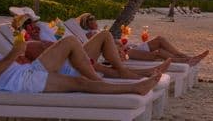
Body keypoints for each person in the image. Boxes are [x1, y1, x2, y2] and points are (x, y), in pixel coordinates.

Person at [0, 17, 160, 96]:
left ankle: (109, 81)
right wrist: (15, 52)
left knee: (72, 44)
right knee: (82, 82)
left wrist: (18, 56)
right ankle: (127, 85)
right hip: (21, 82)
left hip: (24, 73)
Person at [11, 13, 169, 80]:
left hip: (72, 59)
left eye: (33, 23)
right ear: (23, 29)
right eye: (29, 25)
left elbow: (59, 36)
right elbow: (47, 55)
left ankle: (142, 72)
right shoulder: (24, 43)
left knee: (105, 64)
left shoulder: (41, 35)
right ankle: (128, 72)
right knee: (105, 37)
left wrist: (44, 33)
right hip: (69, 65)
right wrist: (35, 38)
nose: (34, 26)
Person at [76, 13, 208, 65]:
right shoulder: (91, 34)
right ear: (86, 24)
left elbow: (114, 43)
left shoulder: (98, 32)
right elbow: (107, 47)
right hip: (126, 53)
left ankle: (186, 58)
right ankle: (186, 60)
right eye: (91, 20)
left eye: (94, 19)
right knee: (158, 51)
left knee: (160, 42)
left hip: (128, 48)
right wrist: (119, 44)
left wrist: (120, 42)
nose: (95, 21)